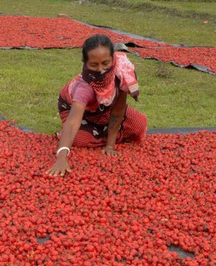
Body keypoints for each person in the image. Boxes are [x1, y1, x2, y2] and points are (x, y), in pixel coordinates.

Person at [47, 34, 147, 177]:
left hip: (105, 109)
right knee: (77, 139)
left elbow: (118, 112)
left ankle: (98, 131)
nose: (101, 70)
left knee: (139, 125)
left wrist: (110, 145)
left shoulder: (121, 73)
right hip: (76, 111)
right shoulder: (84, 88)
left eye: (106, 63)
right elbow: (73, 122)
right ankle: (88, 131)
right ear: (85, 63)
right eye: (94, 65)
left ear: (113, 60)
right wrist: (61, 158)